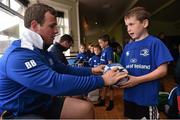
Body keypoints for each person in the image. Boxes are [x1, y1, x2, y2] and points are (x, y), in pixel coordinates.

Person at [0, 3, 128, 119]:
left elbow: (65, 69)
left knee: (86, 109)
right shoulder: (18, 56)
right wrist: (102, 80)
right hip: (18, 112)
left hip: (42, 102)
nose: (56, 31)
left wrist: (92, 70)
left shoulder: (43, 52)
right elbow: (54, 82)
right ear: (34, 26)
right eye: (52, 26)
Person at [120, 7, 173, 119]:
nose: (128, 29)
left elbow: (163, 70)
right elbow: (122, 69)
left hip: (146, 99)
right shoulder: (128, 47)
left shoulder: (155, 43)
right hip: (129, 97)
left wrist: (137, 80)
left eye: (131, 24)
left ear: (144, 23)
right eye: (126, 26)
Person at [96, 34, 115, 111]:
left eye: (101, 42)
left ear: (106, 42)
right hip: (104, 72)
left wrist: (109, 73)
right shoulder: (104, 50)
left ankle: (111, 102)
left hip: (108, 72)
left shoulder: (109, 50)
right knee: (104, 86)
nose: (99, 44)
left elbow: (110, 63)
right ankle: (102, 101)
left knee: (110, 88)